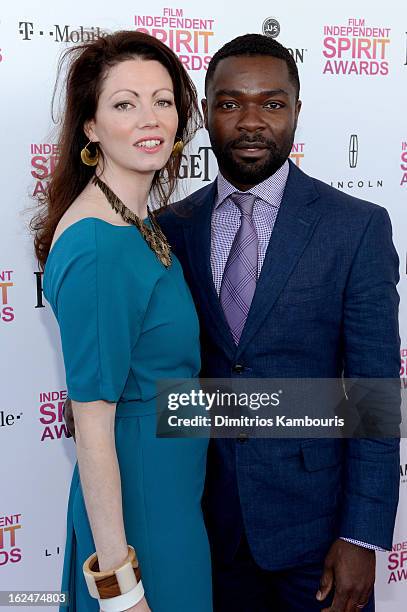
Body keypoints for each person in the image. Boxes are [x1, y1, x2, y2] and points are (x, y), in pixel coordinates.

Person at [158, 34, 401, 611]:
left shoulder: (355, 227)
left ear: (296, 111)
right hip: (204, 527)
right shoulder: (169, 228)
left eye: (271, 103)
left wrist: (361, 535)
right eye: (229, 102)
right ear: (206, 113)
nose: (250, 121)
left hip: (317, 534)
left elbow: (373, 391)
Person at [31, 31, 212, 612]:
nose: (149, 118)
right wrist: (120, 586)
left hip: (170, 497)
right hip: (140, 514)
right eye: (124, 103)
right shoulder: (97, 245)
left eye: (163, 100)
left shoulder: (137, 224)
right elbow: (91, 424)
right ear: (91, 126)